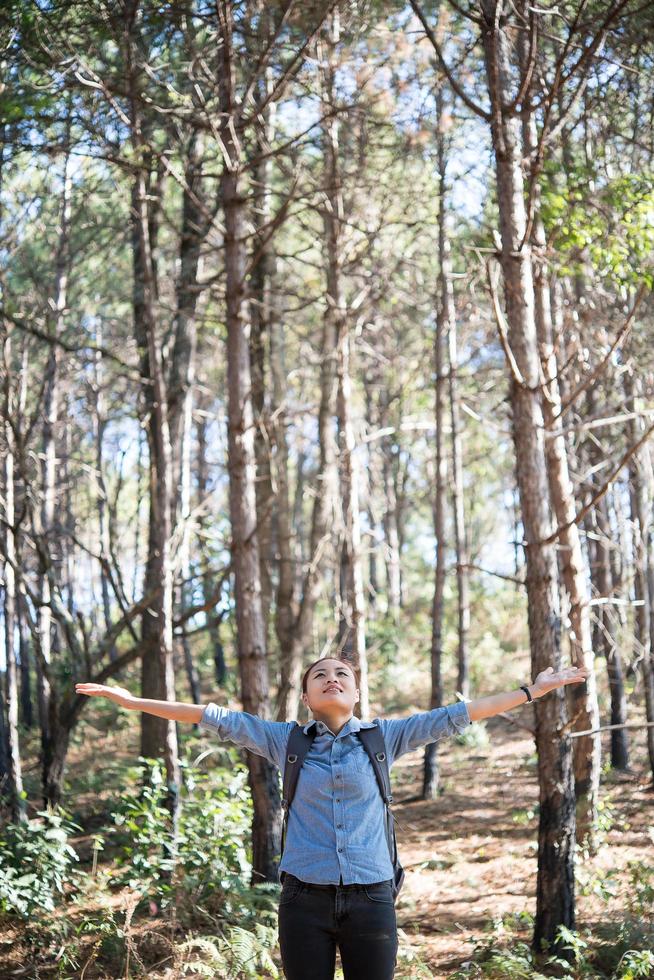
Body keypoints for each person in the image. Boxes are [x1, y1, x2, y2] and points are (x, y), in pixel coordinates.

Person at [75, 659, 590, 980]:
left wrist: (533, 691)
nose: (332, 678)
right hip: (304, 900)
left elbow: (458, 714)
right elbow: (211, 716)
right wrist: (129, 701)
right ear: (307, 697)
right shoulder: (286, 740)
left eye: (342, 673)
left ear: (356, 693)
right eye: (320, 675)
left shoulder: (384, 737)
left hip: (372, 896)